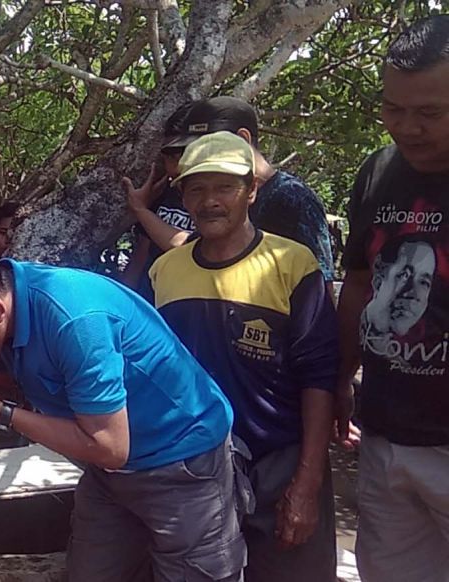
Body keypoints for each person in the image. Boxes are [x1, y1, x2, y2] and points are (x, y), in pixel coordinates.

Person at [0, 233, 245, 582]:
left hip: (181, 464)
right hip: (108, 475)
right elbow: (3, 386)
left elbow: (110, 447)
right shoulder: (4, 310)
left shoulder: (75, 321)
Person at [149, 132, 338, 581]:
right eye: (196, 188)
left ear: (251, 190)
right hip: (197, 468)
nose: (209, 201)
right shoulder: (165, 271)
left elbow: (320, 375)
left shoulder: (292, 264)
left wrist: (307, 482)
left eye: (224, 187)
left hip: (280, 461)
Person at [336, 15, 449, 581]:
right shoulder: (378, 172)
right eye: (393, 108)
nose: (408, 128)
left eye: (430, 112)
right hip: (385, 433)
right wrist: (338, 379)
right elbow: (359, 282)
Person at [126, 96, 336, 289]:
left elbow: (320, 291)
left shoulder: (293, 199)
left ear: (243, 139)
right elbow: (190, 246)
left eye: (205, 144)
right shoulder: (208, 198)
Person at [119, 101, 197, 292]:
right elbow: (141, 255)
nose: (180, 165)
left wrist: (140, 210)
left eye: (187, 154)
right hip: (152, 303)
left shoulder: (223, 200)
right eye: (171, 156)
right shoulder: (164, 193)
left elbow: (190, 248)